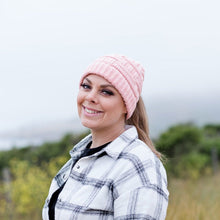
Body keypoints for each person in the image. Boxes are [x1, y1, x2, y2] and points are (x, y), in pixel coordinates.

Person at [42, 55, 169, 220]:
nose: (90, 97)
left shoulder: (136, 164)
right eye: (86, 86)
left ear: (126, 105)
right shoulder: (80, 156)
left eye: (106, 92)